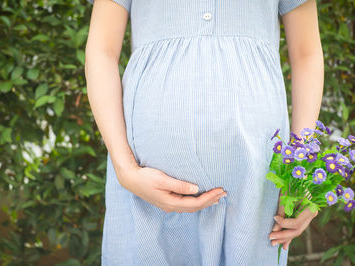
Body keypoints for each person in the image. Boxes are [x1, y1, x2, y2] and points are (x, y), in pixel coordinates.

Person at [85, 0, 324, 265]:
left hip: (255, 184)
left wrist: (300, 170)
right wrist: (125, 169)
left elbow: (307, 54)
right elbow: (101, 50)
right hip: (142, 188)